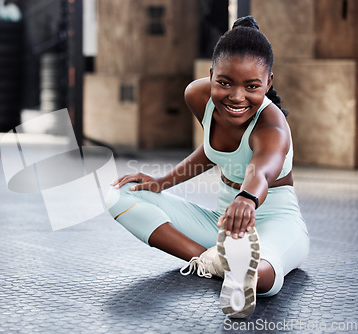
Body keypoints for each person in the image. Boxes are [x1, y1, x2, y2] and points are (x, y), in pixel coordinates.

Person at [105, 16, 310, 318]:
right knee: (120, 194)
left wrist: (247, 198)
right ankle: (210, 260)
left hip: (275, 220)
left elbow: (262, 168)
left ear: (268, 83)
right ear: (211, 74)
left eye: (251, 86)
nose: (237, 96)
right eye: (224, 82)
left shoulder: (272, 125)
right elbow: (215, 150)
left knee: (265, 276)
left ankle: (244, 275)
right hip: (220, 221)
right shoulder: (197, 96)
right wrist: (162, 182)